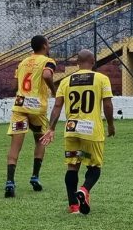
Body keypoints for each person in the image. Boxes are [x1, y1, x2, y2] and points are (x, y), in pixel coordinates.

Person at [40, 49, 115, 214]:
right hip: (91, 131)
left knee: (73, 166)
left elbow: (57, 106)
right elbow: (108, 105)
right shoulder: (102, 79)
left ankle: (73, 206)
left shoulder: (66, 81)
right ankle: (84, 190)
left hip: (72, 130)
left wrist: (51, 128)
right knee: (94, 167)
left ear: (77, 63)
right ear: (93, 61)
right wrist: (110, 124)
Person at [4, 35, 57, 197]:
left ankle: (10, 182)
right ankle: (35, 177)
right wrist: (54, 91)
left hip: (20, 105)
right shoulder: (48, 61)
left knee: (15, 145)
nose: (49, 46)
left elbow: (15, 85)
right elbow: (47, 75)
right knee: (40, 140)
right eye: (48, 44)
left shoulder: (22, 63)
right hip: (37, 107)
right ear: (44, 46)